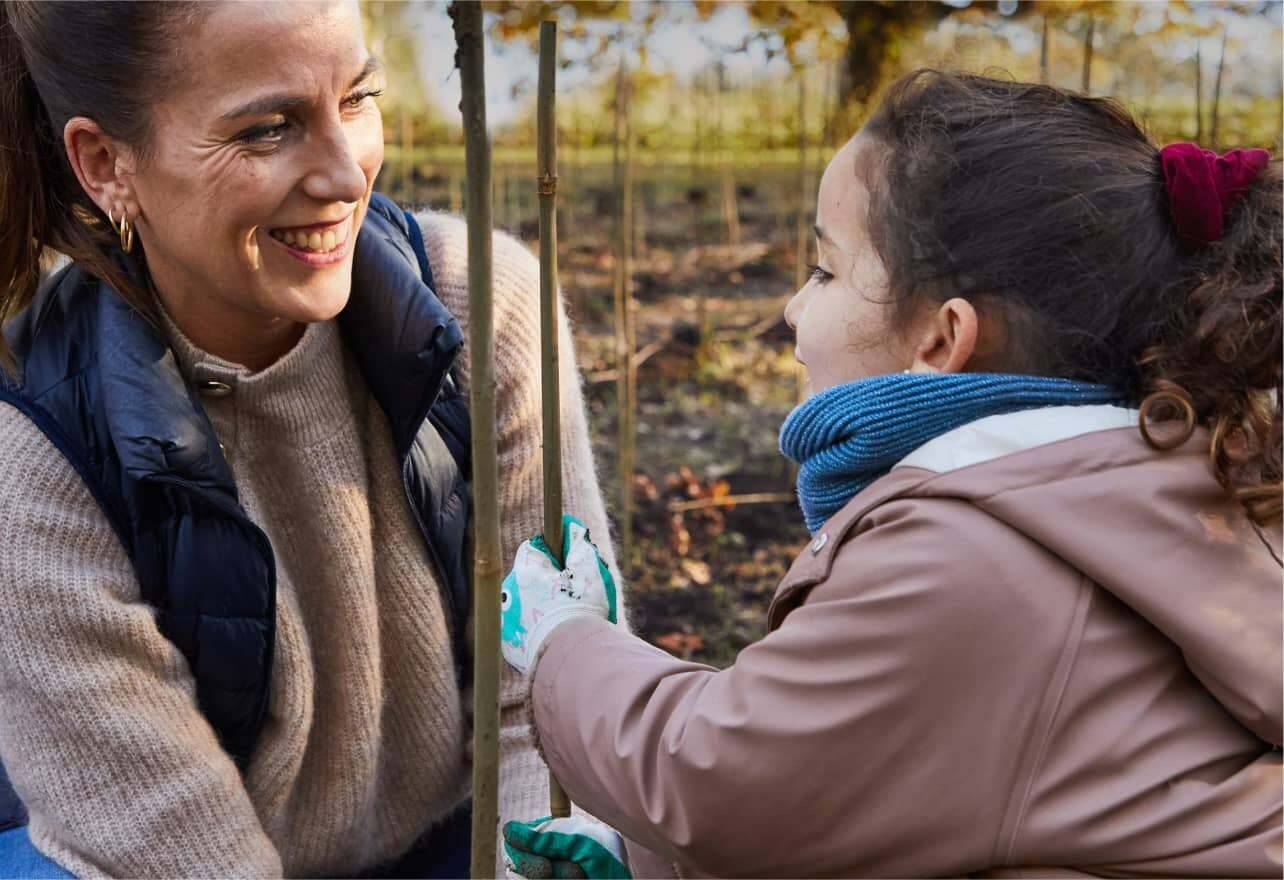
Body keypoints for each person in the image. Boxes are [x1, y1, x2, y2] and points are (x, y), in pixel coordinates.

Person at [501, 70, 1283, 878]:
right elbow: (897, 793)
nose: (792, 312)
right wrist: (651, 865)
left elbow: (725, 780)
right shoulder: (1133, 496)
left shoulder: (970, 554)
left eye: (825, 272)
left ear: (943, 341)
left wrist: (564, 641)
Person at [0, 1, 628, 877]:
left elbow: (550, 700)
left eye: (359, 97)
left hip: (451, 836)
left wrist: (525, 867)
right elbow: (185, 851)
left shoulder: (477, 305)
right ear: (106, 163)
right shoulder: (34, 450)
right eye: (267, 129)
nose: (346, 174)